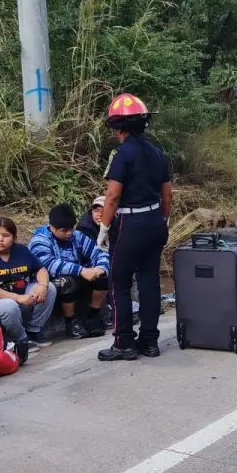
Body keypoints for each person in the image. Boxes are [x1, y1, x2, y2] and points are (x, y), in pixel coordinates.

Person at [95, 94, 172, 361]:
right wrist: (163, 221)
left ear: (118, 127)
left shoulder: (121, 154)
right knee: (149, 280)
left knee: (119, 283)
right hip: (154, 220)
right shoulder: (157, 152)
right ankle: (150, 342)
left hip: (130, 224)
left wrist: (104, 227)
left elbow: (113, 196)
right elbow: (167, 195)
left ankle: (124, 342)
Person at [0, 217, 57, 350]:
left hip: (21, 295)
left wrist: (42, 286)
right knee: (9, 305)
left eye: (5, 235)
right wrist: (17, 297)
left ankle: (33, 331)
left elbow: (41, 269)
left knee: (50, 288)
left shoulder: (21, 251)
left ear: (13, 237)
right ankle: (20, 339)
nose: (0, 239)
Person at [30, 203, 110, 340]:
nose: (69, 233)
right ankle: (71, 321)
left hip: (78, 276)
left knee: (103, 274)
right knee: (65, 281)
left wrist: (100, 268)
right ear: (52, 228)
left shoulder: (77, 236)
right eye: (64, 230)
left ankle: (93, 315)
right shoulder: (39, 241)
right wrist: (81, 270)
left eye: (71, 229)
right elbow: (49, 264)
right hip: (52, 283)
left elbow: (98, 252)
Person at [78, 196, 119, 329]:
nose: (99, 214)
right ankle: (94, 313)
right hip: (86, 264)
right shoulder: (85, 228)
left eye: (103, 210)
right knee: (106, 273)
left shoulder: (117, 223)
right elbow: (93, 253)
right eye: (96, 211)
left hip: (107, 260)